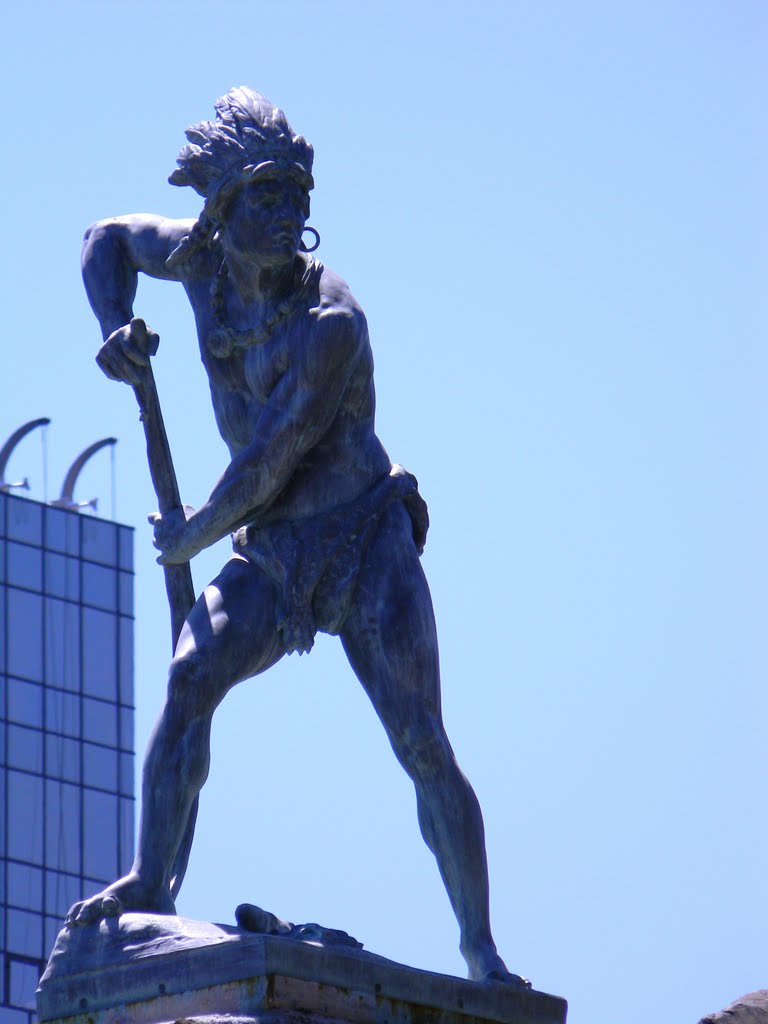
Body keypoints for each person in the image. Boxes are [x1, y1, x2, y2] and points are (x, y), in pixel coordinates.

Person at [67, 87, 524, 986]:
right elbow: (103, 240)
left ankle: (481, 950)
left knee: (423, 741)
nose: (285, 217)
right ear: (224, 208)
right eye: (265, 199)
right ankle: (149, 881)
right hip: (270, 547)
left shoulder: (332, 323)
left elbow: (268, 459)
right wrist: (114, 326)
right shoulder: (195, 263)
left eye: (295, 200)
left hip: (362, 540)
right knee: (191, 677)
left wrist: (189, 535)